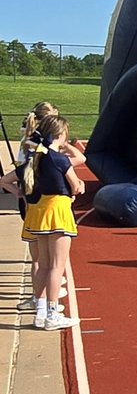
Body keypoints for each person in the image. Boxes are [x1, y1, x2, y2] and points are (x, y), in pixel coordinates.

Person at [20, 114, 83, 330]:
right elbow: (75, 186)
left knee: (44, 265)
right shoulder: (59, 159)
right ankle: (52, 314)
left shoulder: (38, 158)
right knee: (57, 267)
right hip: (58, 211)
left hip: (41, 211)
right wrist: (80, 185)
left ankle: (40, 309)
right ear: (60, 133)